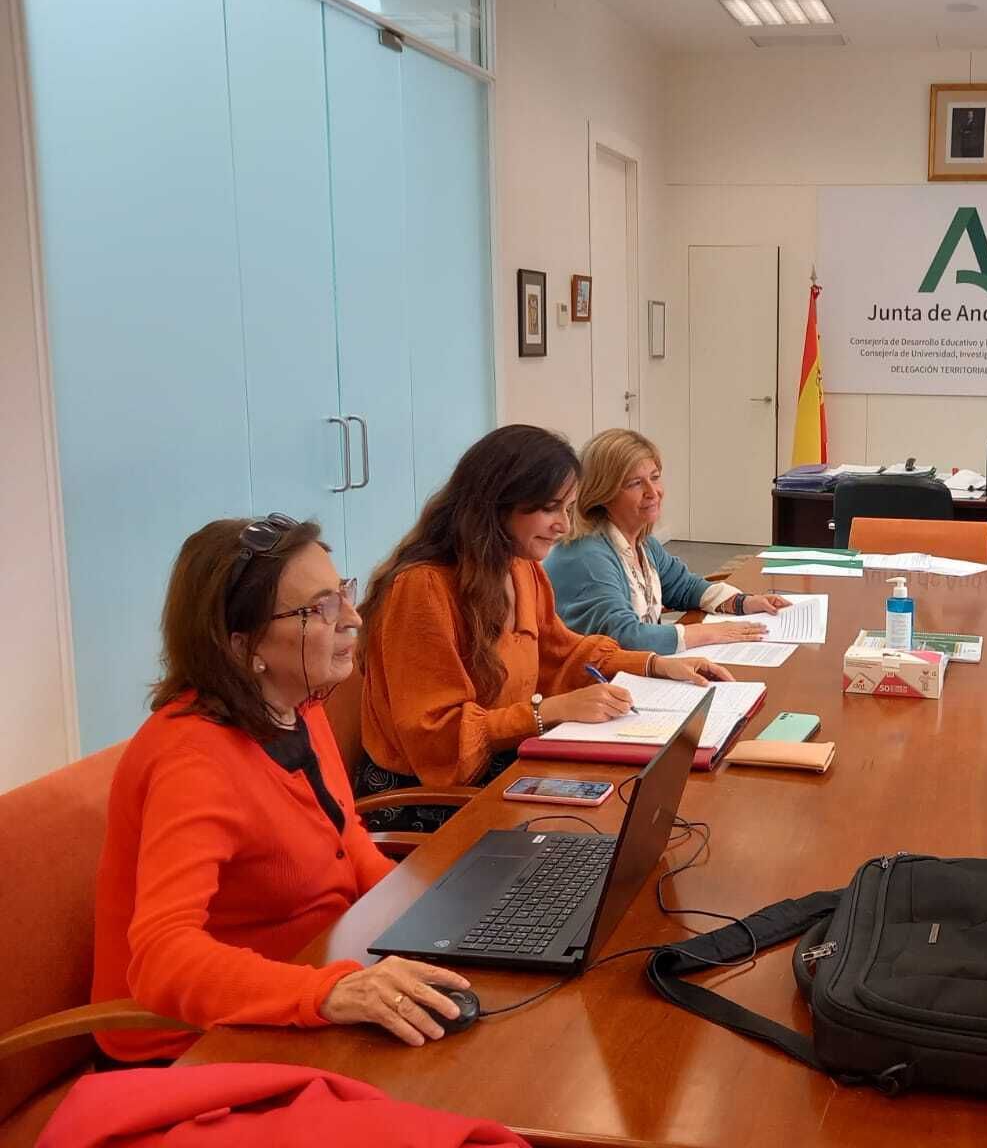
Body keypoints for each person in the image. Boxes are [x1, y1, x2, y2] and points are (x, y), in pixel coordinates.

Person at [92, 515, 474, 1062]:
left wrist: (431, 916)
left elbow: (347, 837)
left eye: (343, 592)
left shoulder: (297, 702)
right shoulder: (193, 762)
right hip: (197, 1044)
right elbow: (161, 958)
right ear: (243, 645)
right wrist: (330, 992)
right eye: (320, 608)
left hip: (313, 977)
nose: (353, 618)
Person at [356, 426, 731, 822]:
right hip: (431, 792)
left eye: (568, 509)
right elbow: (436, 738)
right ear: (496, 505)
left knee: (643, 805)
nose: (564, 526)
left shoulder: (520, 567)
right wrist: (546, 712)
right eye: (550, 509)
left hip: (497, 762)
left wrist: (654, 665)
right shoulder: (423, 588)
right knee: (606, 822)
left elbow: (562, 653)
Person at [546, 429, 790, 654]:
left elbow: (683, 586)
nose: (653, 492)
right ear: (602, 492)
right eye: (635, 483)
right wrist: (711, 632)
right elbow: (626, 637)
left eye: (654, 478)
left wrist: (743, 602)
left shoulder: (642, 542)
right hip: (588, 682)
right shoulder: (587, 555)